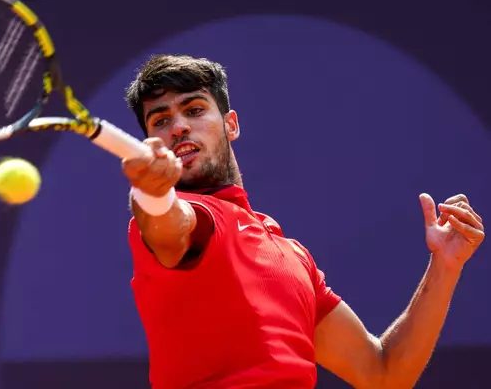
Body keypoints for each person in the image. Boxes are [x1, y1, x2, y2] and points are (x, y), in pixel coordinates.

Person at [121, 54, 485, 389]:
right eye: (162, 120)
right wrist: (151, 192)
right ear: (152, 141)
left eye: (194, 109)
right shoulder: (179, 217)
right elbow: (168, 224)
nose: (179, 127)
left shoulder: (293, 256)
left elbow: (383, 374)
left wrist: (446, 265)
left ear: (231, 125)